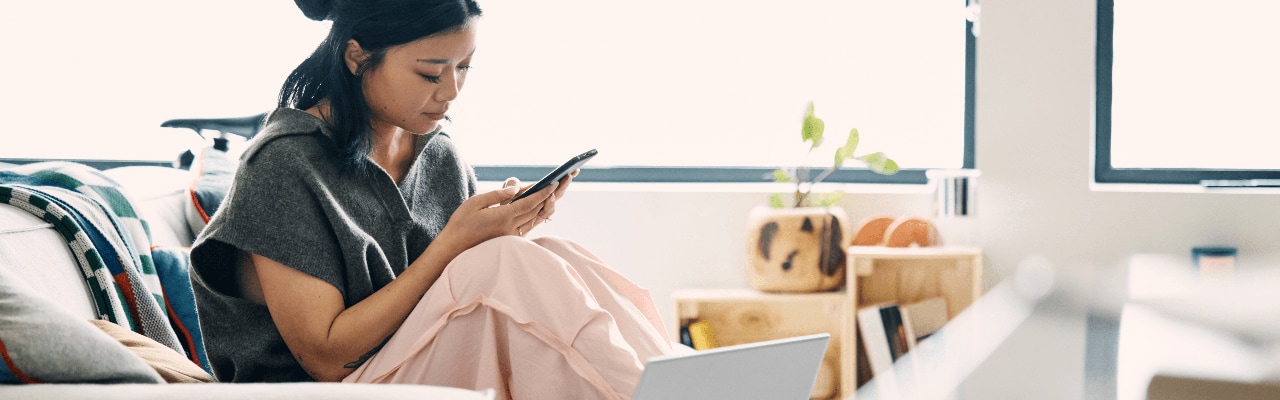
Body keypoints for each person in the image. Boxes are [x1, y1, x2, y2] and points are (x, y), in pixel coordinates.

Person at [188, 1, 674, 398]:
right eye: (430, 73)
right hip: (324, 390)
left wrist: (502, 231)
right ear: (357, 57)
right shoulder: (283, 166)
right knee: (506, 263)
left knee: (549, 255)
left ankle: (676, 382)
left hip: (406, 364)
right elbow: (326, 359)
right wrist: (457, 247)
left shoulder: (438, 155)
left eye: (464, 67)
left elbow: (454, 297)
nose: (453, 91)